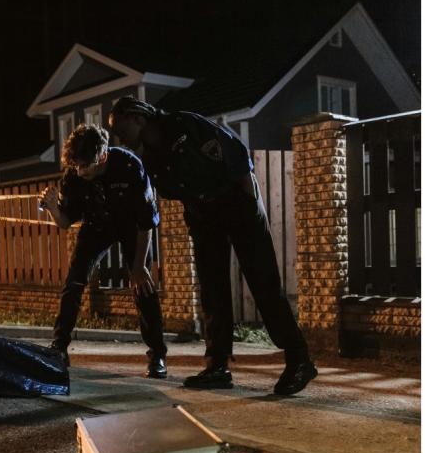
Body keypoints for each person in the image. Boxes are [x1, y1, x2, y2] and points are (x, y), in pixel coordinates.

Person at [107, 96, 317, 395]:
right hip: (204, 217)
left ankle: (299, 361)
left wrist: (250, 206)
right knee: (212, 290)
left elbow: (237, 154)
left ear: (138, 117)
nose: (118, 136)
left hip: (236, 202)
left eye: (119, 126)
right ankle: (217, 366)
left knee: (264, 284)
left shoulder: (185, 124)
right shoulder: (150, 156)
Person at [39, 123, 168, 378]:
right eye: (76, 165)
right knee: (73, 282)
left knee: (143, 286)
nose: (80, 171)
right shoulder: (74, 175)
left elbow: (147, 221)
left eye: (85, 166)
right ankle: (59, 348)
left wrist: (139, 266)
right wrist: (54, 207)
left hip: (132, 227)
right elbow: (66, 222)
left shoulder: (131, 168)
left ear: (103, 156)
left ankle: (157, 356)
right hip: (96, 226)